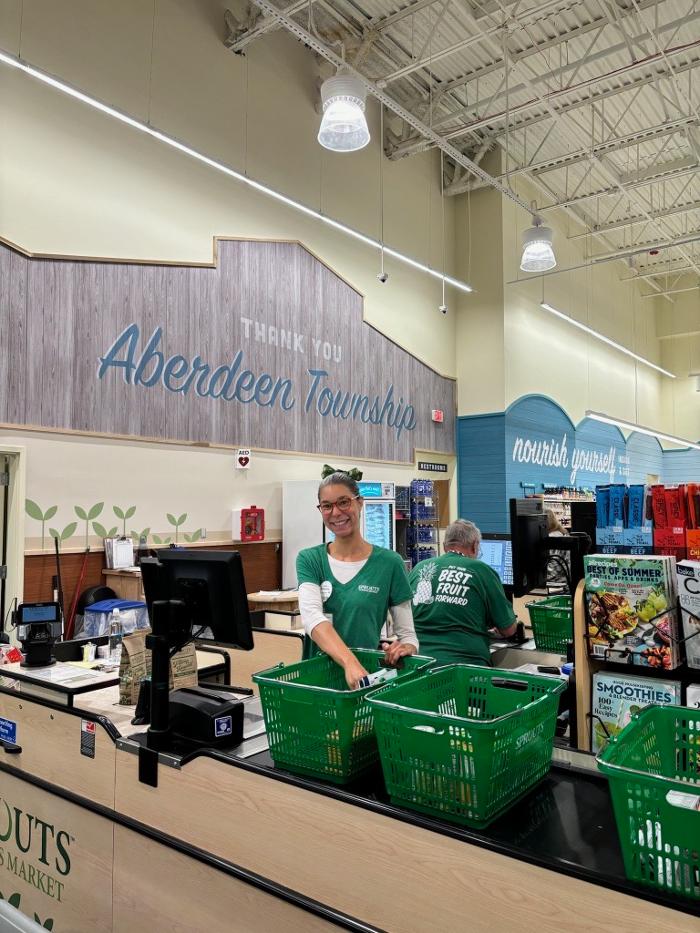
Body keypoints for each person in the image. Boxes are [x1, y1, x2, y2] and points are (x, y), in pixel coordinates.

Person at [297, 472, 419, 688]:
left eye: (344, 502)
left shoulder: (390, 563)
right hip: (316, 684)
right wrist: (349, 663)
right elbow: (312, 618)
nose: (336, 512)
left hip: (363, 682)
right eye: (327, 506)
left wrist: (406, 648)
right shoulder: (310, 559)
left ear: (360, 503)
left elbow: (408, 635)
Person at [409, 519, 516, 666]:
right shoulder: (482, 570)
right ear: (474, 546)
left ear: (445, 546)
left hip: (417, 662)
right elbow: (508, 629)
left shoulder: (419, 568)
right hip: (464, 666)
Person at [545, 508, 570, 588]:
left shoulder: (551, 539)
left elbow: (553, 570)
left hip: (556, 584)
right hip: (566, 580)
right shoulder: (563, 533)